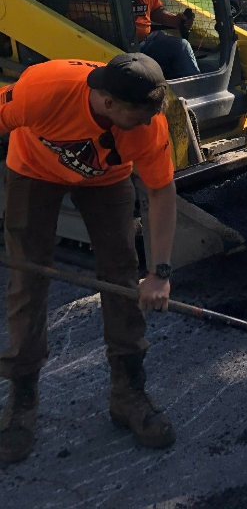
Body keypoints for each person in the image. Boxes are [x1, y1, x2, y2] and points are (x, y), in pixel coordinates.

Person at [0, 54, 178, 464]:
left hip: (107, 180)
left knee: (120, 278)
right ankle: (22, 400)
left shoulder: (148, 122)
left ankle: (128, 393)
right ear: (107, 102)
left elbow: (161, 191)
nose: (147, 126)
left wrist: (160, 273)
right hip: (32, 170)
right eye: (138, 117)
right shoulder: (42, 91)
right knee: (28, 281)